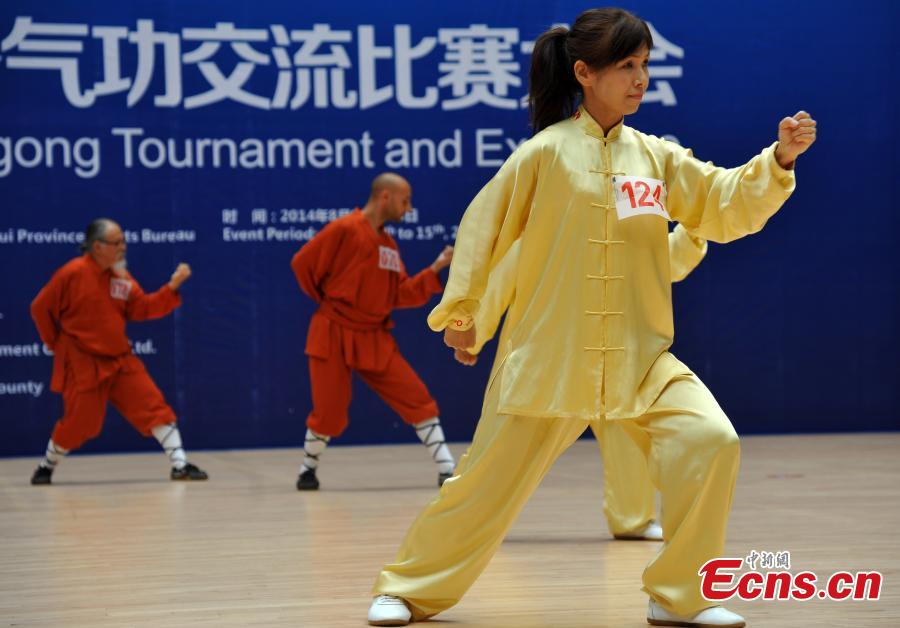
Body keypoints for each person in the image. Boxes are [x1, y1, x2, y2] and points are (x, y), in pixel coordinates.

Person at [367, 7, 816, 628]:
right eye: (627, 66)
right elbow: (485, 231)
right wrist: (466, 311)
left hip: (641, 357)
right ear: (584, 73)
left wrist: (779, 161)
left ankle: (678, 594)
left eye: (645, 65)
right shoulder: (543, 154)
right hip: (548, 354)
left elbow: (720, 202)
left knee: (712, 440)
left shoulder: (656, 158)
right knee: (483, 484)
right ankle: (408, 587)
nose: (641, 79)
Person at [453, 225, 708, 542]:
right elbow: (500, 282)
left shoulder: (624, 231)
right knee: (502, 439)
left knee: (627, 433)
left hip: (611, 354)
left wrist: (693, 231)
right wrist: (474, 334)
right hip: (544, 357)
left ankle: (632, 518)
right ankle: (464, 515)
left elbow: (662, 260)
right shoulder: (541, 227)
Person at [290, 173, 456, 491]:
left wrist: (435, 268)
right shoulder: (344, 229)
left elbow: (400, 294)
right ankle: (307, 469)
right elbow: (302, 264)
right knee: (329, 414)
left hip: (373, 335)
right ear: (385, 197)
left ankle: (447, 468)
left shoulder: (389, 246)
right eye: (405, 201)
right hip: (332, 332)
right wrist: (330, 303)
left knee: (416, 396)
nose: (409, 208)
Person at [29, 219, 207, 485]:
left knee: (153, 406)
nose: (123, 247)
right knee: (81, 424)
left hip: (119, 359)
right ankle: (46, 466)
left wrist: (172, 288)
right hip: (83, 362)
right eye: (117, 242)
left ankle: (180, 464)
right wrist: (55, 343)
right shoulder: (72, 273)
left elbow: (143, 308)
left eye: (124, 241)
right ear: (98, 246)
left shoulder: (120, 276)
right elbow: (39, 308)